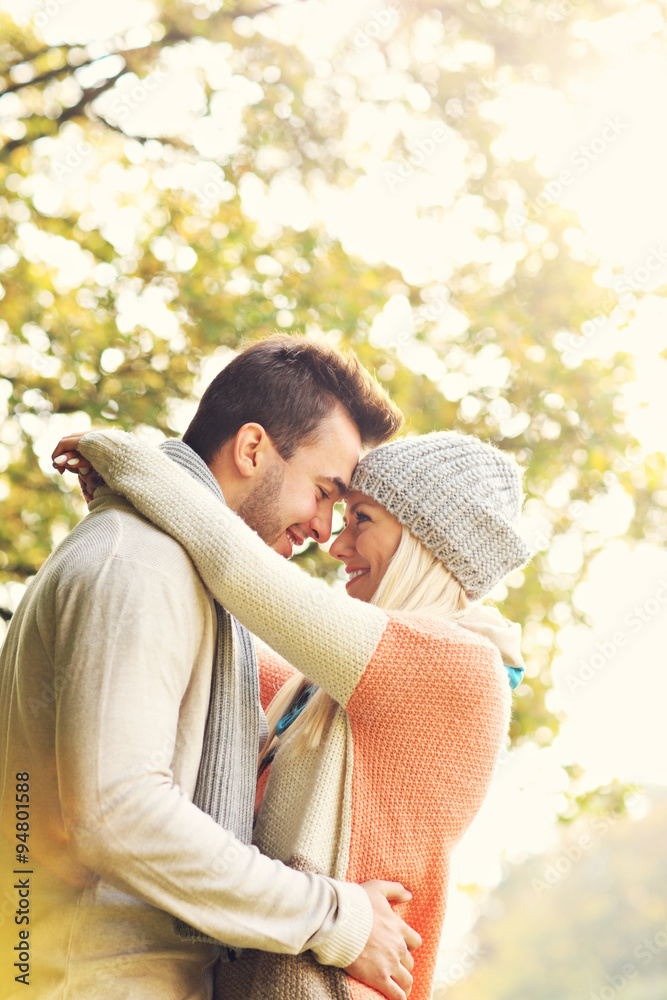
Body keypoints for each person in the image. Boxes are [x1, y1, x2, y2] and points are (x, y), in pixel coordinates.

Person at [0, 337, 423, 1000]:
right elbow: (118, 812)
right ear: (252, 449)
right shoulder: (140, 563)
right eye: (322, 492)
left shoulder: (194, 591)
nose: (322, 527)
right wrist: (335, 917)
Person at [61, 425, 530, 1000]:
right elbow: (224, 643)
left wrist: (128, 456)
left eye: (362, 518)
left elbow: (238, 570)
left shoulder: (451, 665)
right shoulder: (323, 692)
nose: (336, 545)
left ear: (425, 541)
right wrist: (132, 515)